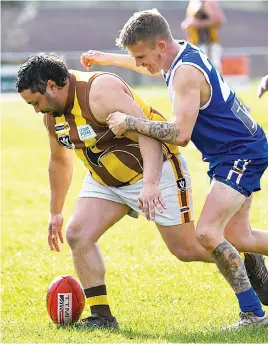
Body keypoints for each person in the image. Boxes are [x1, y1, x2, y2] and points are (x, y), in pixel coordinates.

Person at [81, 9, 268, 330]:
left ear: (160, 46)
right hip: (235, 151)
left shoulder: (184, 73)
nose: (140, 64)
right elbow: (150, 66)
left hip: (240, 155)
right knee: (241, 237)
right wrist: (107, 59)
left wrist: (131, 122)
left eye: (141, 56)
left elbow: (180, 134)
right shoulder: (177, 53)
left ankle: (253, 314)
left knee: (208, 233)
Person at [16, 52, 222, 329]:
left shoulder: (99, 91)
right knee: (78, 234)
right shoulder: (53, 117)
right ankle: (102, 317)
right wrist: (55, 212)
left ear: (52, 85)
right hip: (105, 181)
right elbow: (60, 161)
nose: (36, 109)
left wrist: (150, 184)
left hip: (154, 169)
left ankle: (246, 257)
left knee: (186, 249)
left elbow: (147, 133)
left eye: (36, 102)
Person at [181, 0, 225, 71]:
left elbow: (219, 20)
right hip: (195, 43)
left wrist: (199, 24)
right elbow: (191, 22)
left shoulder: (210, 3)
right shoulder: (193, 3)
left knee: (212, 68)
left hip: (210, 43)